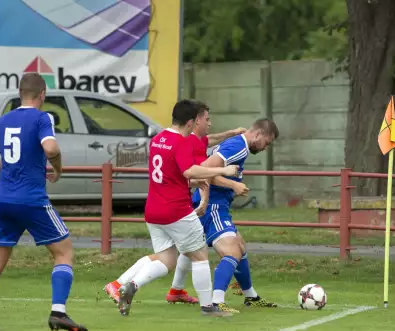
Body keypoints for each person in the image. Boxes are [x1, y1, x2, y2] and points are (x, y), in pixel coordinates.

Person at [0, 73, 87, 331]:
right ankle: (59, 312)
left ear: (20, 93)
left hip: (3, 200)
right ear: (42, 95)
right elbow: (51, 149)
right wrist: (57, 168)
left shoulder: (3, 120)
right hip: (31, 200)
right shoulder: (43, 118)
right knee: (64, 251)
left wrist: (9, 169)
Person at [103, 102, 249, 304]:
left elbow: (174, 174)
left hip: (153, 209)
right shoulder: (180, 142)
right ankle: (209, 307)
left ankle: (127, 285)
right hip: (175, 209)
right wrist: (222, 171)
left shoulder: (157, 139)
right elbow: (189, 170)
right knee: (199, 255)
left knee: (166, 259)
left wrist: (194, 183)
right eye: (203, 120)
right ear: (191, 122)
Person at [192, 118, 280, 314]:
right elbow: (204, 170)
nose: (266, 147)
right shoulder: (238, 146)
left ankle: (251, 297)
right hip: (212, 206)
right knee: (232, 251)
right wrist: (233, 185)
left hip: (218, 205)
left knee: (240, 246)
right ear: (258, 134)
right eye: (267, 142)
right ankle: (216, 302)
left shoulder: (239, 145)